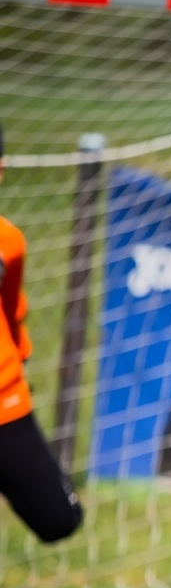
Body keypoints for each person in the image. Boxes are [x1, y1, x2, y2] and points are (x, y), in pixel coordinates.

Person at [0, 119, 84, 544]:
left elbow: (12, 309)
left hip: (5, 404)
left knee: (60, 519)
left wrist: (20, 357)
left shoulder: (8, 241)